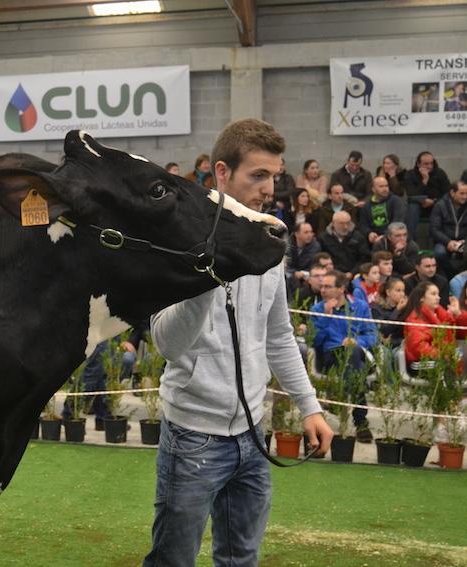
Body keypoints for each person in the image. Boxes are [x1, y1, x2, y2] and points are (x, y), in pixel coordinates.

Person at [144, 118, 331, 567]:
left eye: (274, 176)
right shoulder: (176, 238)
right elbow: (166, 344)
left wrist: (310, 407)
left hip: (252, 435)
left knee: (241, 559)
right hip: (192, 437)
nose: (269, 188)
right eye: (258, 175)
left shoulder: (272, 237)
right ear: (222, 172)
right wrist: (208, 277)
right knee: (173, 560)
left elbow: (278, 334)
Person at [311, 270, 377, 443]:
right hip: (329, 356)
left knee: (353, 352)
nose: (323, 290)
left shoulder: (360, 306)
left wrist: (356, 341)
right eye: (322, 286)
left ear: (341, 289)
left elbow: (372, 335)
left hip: (356, 352)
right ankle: (360, 421)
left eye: (328, 286)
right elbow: (315, 341)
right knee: (356, 365)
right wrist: (326, 317)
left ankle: (338, 401)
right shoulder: (317, 309)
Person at [402, 281, 464, 374]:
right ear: (422, 298)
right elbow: (418, 347)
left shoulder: (441, 315)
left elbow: (461, 333)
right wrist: (444, 354)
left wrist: (458, 314)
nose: (438, 297)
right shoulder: (415, 319)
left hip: (443, 357)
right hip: (424, 363)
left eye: (438, 294)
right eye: (433, 294)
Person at [403, 151, 450, 242]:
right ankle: (410, 242)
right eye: (426, 164)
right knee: (413, 205)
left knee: (442, 205)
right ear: (418, 164)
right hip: (419, 206)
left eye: (431, 163)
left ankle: (441, 242)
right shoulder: (410, 174)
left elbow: (447, 195)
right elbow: (412, 195)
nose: (429, 166)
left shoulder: (440, 173)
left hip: (436, 204)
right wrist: (425, 180)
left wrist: (434, 202)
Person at [429, 176, 467, 278]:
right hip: (444, 241)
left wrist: (464, 241)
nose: (465, 197)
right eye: (462, 193)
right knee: (439, 253)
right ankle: (450, 276)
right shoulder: (440, 205)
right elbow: (434, 229)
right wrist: (448, 242)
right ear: (452, 193)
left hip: (463, 241)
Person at [318, 210, 370, 277]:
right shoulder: (323, 238)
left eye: (348, 223)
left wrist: (352, 273)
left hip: (355, 275)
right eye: (341, 223)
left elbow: (364, 259)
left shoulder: (358, 237)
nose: (345, 227)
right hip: (331, 275)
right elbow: (320, 259)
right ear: (333, 223)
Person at [358, 176, 406, 246]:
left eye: (386, 186)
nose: (385, 189)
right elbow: (363, 224)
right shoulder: (367, 205)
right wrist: (369, 233)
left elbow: (397, 221)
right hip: (374, 238)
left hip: (392, 237)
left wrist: (384, 236)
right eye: (381, 186)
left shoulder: (395, 200)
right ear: (373, 189)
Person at [371, 276, 407, 348]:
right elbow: (384, 330)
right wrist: (397, 310)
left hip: (402, 344)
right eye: (398, 291)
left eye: (403, 291)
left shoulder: (406, 308)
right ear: (388, 292)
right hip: (385, 346)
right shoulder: (377, 309)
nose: (402, 294)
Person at [285, 222, 320, 286]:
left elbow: (314, 265)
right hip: (289, 277)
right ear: (297, 234)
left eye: (311, 232)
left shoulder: (316, 247)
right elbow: (286, 265)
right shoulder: (287, 245)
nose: (309, 235)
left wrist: (303, 273)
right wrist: (294, 273)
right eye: (306, 232)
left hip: (306, 278)